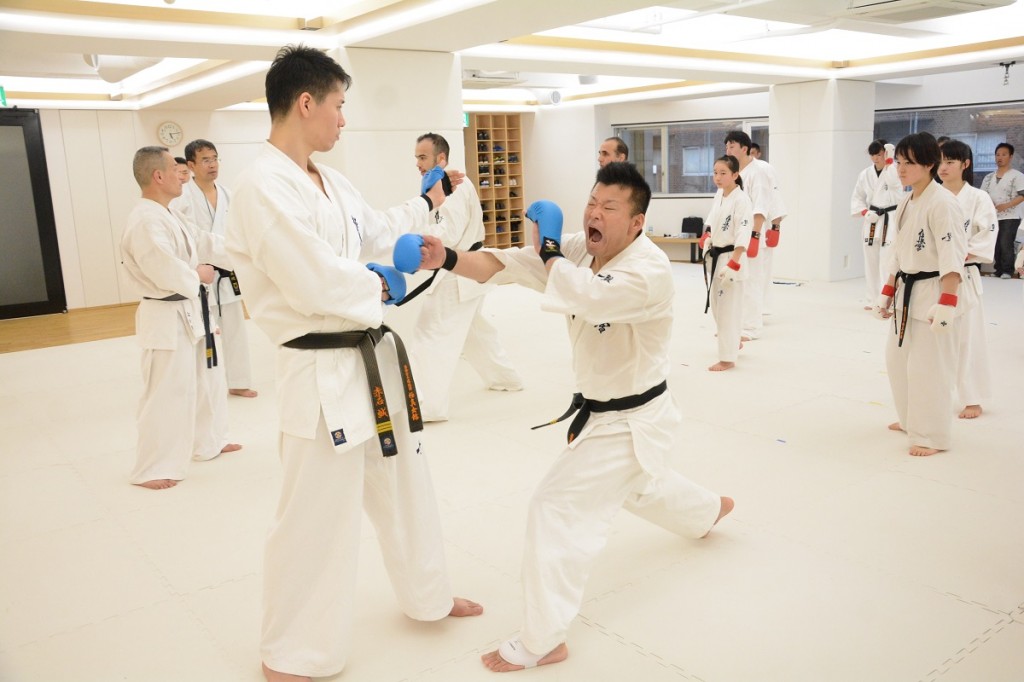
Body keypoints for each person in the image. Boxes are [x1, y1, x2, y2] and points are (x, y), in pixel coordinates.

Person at [410, 161, 733, 672]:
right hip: (605, 410)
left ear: (637, 222)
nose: (594, 214)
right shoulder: (583, 249)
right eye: (591, 202)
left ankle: (543, 640)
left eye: (609, 207)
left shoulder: (648, 272)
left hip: (631, 419)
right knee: (639, 485)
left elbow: (588, 295)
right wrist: (445, 257)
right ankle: (706, 510)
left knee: (555, 508)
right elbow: (505, 264)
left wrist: (552, 251)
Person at [223, 45, 482, 682]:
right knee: (315, 515)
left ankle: (428, 594)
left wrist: (427, 205)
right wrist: (380, 282)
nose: (343, 119)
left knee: (406, 484)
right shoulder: (263, 186)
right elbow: (313, 280)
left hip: (370, 361)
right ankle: (292, 651)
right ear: (305, 102)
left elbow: (374, 229)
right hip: (319, 372)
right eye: (339, 106)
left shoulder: (327, 180)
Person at [121, 146, 240, 490]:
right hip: (166, 313)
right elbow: (162, 268)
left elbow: (205, 242)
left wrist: (246, 252)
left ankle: (209, 441)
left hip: (192, 310)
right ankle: (151, 467)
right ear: (158, 176)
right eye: (176, 170)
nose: (183, 177)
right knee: (167, 391)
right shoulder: (145, 220)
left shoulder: (169, 213)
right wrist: (198, 275)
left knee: (207, 379)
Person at [406, 132, 522, 421]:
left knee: (431, 334)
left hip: (459, 269)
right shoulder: (442, 184)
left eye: (423, 157)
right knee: (475, 331)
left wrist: (420, 223)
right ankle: (506, 378)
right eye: (417, 157)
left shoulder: (452, 186)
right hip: (466, 269)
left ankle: (428, 406)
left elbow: (448, 234)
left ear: (441, 158)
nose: (418, 163)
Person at [873, 132, 967, 457]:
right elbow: (898, 253)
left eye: (909, 163)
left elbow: (952, 256)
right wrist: (887, 292)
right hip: (907, 290)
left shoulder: (943, 204)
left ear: (929, 164)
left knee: (930, 369)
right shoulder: (906, 201)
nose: (901, 169)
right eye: (898, 162)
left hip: (934, 292)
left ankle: (932, 435)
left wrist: (947, 303)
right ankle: (910, 420)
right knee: (897, 361)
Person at [174, 139, 258, 399]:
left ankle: (239, 381)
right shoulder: (182, 197)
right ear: (191, 165)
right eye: (205, 160)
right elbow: (181, 237)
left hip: (227, 273)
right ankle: (201, 385)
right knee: (201, 332)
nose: (212, 165)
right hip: (200, 274)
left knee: (235, 329)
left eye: (214, 159)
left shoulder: (228, 194)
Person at [937, 140, 996, 419]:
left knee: (967, 338)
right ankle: (930, 397)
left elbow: (986, 235)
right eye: (940, 161)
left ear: (965, 164)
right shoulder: (930, 195)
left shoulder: (978, 198)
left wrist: (955, 254)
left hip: (964, 273)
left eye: (950, 162)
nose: (943, 167)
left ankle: (972, 397)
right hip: (931, 275)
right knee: (930, 339)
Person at [723, 130, 784, 340]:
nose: (728, 150)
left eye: (732, 146)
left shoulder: (759, 172)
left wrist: (759, 235)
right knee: (738, 281)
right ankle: (738, 323)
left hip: (752, 233)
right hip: (736, 234)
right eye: (726, 146)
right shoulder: (734, 172)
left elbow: (762, 205)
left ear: (745, 148)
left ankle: (751, 327)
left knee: (752, 281)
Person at [701, 155, 752, 371]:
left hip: (731, 258)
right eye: (715, 173)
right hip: (716, 256)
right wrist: (707, 237)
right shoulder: (720, 195)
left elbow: (743, 232)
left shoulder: (742, 200)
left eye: (723, 173)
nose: (718, 177)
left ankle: (727, 358)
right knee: (718, 306)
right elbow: (712, 222)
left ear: (735, 175)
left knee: (727, 310)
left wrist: (734, 263)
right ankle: (733, 340)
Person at [851, 140, 904, 309]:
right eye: (873, 155)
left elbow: (895, 184)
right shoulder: (865, 174)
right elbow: (857, 197)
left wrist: (889, 162)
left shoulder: (894, 170)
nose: (875, 158)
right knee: (871, 260)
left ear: (886, 153)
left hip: (890, 217)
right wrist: (865, 212)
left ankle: (887, 299)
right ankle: (872, 299)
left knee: (888, 261)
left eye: (879, 154)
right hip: (872, 218)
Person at [979, 142, 1024, 278]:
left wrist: (1007, 205)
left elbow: (1022, 195)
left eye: (1004, 154)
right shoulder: (988, 177)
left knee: (1006, 242)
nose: (1000, 157)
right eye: (997, 155)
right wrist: (989, 203)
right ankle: (998, 269)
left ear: (1010, 157)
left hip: (1011, 215)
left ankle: (1007, 270)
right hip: (993, 215)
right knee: (995, 243)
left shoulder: (1017, 176)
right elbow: (982, 195)